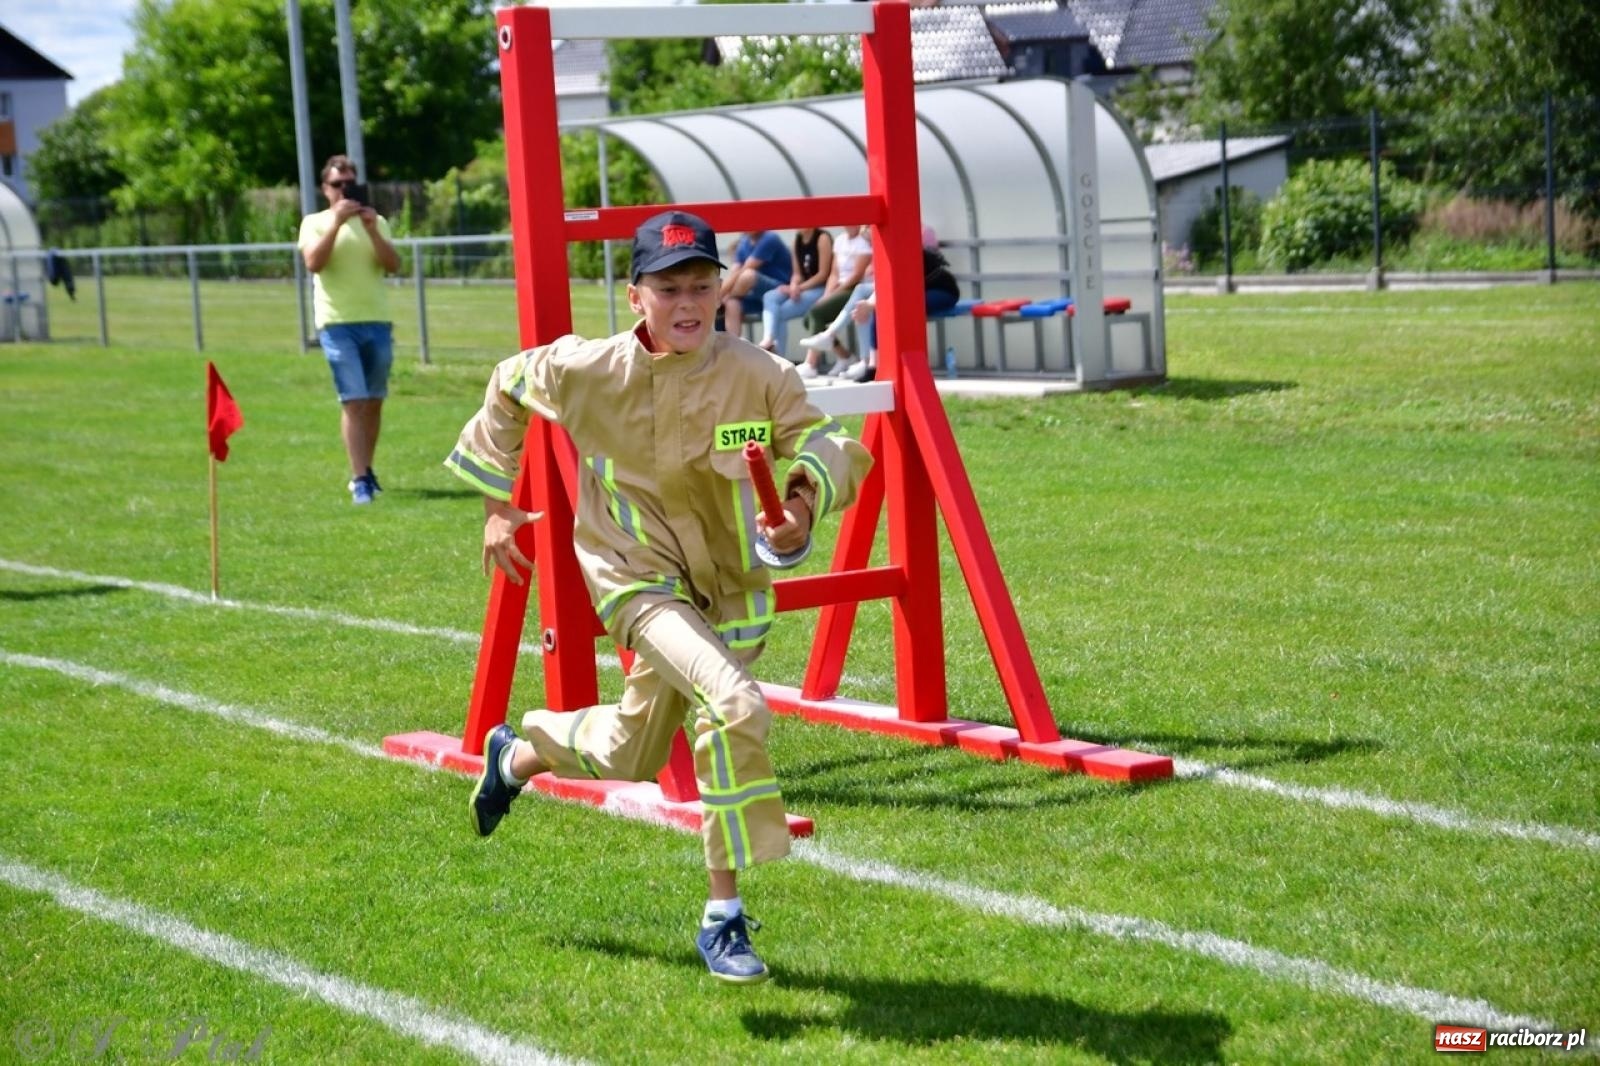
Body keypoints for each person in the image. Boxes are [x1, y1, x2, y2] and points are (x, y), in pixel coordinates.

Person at [451, 210, 872, 985]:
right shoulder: (586, 368)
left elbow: (825, 445)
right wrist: (495, 506)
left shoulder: (761, 375)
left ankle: (516, 754)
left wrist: (801, 510)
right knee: (735, 706)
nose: (688, 303)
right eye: (668, 287)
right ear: (634, 293)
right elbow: (508, 383)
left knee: (631, 751)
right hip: (634, 576)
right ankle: (725, 920)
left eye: (702, 286)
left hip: (734, 588)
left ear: (721, 287)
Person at [297, 154, 402, 505]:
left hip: (376, 320)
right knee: (353, 400)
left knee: (373, 402)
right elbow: (314, 262)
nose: (345, 190)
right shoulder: (314, 223)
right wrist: (337, 224)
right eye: (338, 184)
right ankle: (358, 479)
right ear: (325, 189)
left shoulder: (377, 221)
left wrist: (372, 230)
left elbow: (392, 265)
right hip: (337, 323)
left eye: (351, 183)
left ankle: (367, 470)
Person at [839, 226, 961, 382]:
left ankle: (908, 364)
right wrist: (868, 305)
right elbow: (884, 286)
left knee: (903, 308)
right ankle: (873, 366)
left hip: (942, 291)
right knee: (882, 310)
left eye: (872, 240)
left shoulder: (902, 251)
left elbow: (895, 286)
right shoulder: (885, 254)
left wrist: (869, 306)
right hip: (918, 292)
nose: (871, 245)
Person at [795, 224, 872, 378]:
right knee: (808, 319)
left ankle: (811, 363)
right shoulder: (840, 240)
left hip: (852, 289)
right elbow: (834, 273)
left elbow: (856, 275)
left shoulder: (864, 242)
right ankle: (845, 356)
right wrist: (827, 294)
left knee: (816, 314)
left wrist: (834, 293)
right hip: (839, 289)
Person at [756, 227, 833, 358]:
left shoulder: (822, 238)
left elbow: (823, 275)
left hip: (822, 290)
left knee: (780, 312)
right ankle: (768, 338)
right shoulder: (796, 241)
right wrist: (793, 285)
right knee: (770, 296)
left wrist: (800, 288)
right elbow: (797, 273)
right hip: (803, 288)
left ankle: (778, 358)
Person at [719, 230, 792, 338]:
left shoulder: (769, 238)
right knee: (732, 303)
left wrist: (721, 297)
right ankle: (733, 346)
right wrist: (720, 295)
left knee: (748, 275)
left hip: (780, 289)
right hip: (755, 295)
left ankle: (721, 301)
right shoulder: (744, 241)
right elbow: (734, 273)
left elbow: (747, 268)